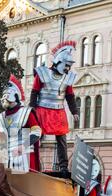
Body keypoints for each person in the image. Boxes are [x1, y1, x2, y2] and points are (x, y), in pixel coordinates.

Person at [28, 40, 79, 176]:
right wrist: (31, 111)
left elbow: (70, 96)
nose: (68, 69)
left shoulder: (67, 79)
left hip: (59, 111)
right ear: (58, 62)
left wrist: (74, 111)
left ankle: (63, 167)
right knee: (36, 138)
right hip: (42, 110)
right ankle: (33, 165)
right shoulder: (42, 74)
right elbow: (34, 92)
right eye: (66, 65)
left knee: (62, 139)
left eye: (69, 66)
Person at [0, 75, 42, 173]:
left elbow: (37, 132)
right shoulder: (1, 117)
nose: (4, 98)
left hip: (25, 156)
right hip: (6, 158)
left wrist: (23, 146)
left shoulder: (26, 112)